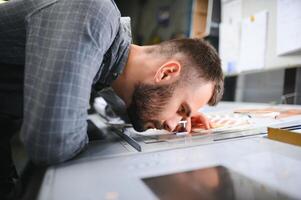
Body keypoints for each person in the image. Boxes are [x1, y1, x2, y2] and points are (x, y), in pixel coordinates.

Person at [0, 0, 223, 198]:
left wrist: (180, 115)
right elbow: (51, 142)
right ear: (165, 73)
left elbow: (107, 104)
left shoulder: (105, 66)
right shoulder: (93, 11)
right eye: (181, 109)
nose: (172, 125)